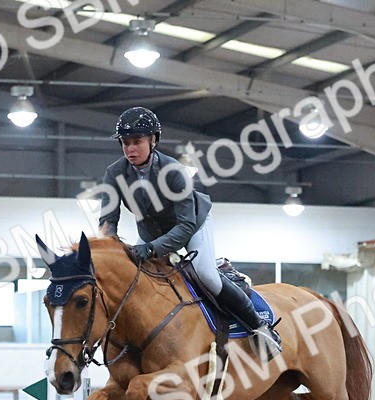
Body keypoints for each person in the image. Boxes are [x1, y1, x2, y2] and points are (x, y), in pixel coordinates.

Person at [97, 107, 281, 357]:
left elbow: (184, 227)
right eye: (125, 142)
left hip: (192, 223)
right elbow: (108, 221)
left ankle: (260, 328)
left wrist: (150, 248)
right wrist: (107, 255)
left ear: (153, 140)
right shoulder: (114, 173)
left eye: (137, 142)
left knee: (206, 275)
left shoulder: (174, 171)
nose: (130, 149)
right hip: (152, 230)